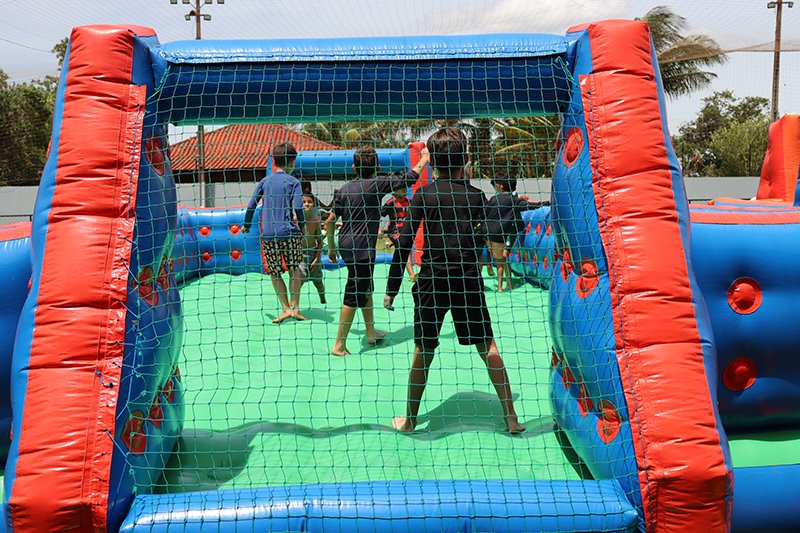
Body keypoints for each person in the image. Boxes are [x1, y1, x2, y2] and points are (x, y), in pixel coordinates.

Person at [384, 127, 525, 434]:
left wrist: (391, 289)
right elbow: (484, 233)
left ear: (432, 162)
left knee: (423, 351)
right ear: (467, 159)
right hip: (466, 280)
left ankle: (409, 420)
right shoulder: (476, 196)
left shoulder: (424, 195)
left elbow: (404, 242)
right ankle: (511, 416)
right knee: (487, 345)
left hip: (432, 281)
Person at [326, 146, 431, 357]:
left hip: (345, 244)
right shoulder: (377, 183)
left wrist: (331, 246)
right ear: (378, 167)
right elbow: (410, 178)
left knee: (366, 287)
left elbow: (330, 221)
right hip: (362, 248)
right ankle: (339, 344)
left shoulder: (344, 189)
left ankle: (370, 332)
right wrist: (425, 158)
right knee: (354, 292)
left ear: (354, 167)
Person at [242, 142, 307, 324]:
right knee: (294, 268)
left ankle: (285, 309)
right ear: (292, 162)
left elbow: (251, 205)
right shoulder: (293, 182)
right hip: (289, 232)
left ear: (275, 161)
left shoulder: (265, 181)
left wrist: (246, 225)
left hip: (269, 234)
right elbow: (299, 207)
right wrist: (302, 227)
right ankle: (295, 308)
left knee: (275, 272)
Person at [485, 172, 543, 292]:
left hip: (512, 228)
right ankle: (502, 277)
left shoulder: (511, 198)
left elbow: (524, 203)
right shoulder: (502, 198)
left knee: (503, 256)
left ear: (500, 186)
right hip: (503, 230)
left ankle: (505, 283)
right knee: (500, 256)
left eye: (495, 186)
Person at [381, 184, 417, 282]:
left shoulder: (409, 201)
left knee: (402, 251)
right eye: (402, 189)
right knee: (405, 249)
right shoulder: (391, 203)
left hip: (405, 230)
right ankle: (412, 275)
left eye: (406, 188)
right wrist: (379, 229)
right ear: (395, 190)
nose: (405, 190)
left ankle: (391, 243)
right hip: (394, 231)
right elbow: (378, 214)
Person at [301, 193, 326, 304]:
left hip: (313, 254)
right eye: (303, 202)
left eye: (309, 202)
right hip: (299, 255)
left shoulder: (315, 221)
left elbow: (320, 242)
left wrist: (316, 259)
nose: (306, 204)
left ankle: (323, 300)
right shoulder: (295, 220)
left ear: (314, 205)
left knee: (318, 282)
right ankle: (294, 305)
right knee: (298, 280)